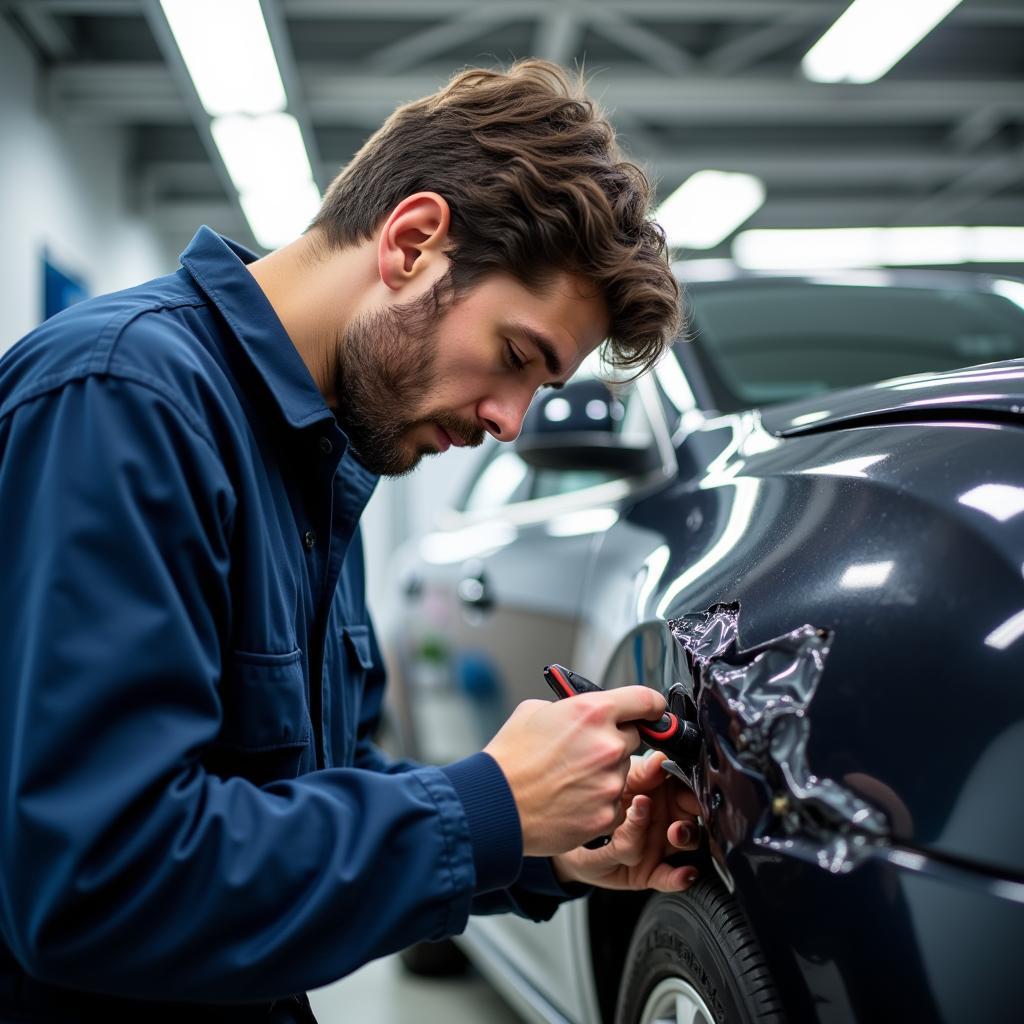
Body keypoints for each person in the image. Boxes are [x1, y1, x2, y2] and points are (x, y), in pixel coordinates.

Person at [0, 60, 699, 1022]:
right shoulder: (125, 399)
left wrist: (538, 840)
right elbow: (99, 878)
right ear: (413, 242)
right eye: (516, 357)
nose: (509, 422)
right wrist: (484, 805)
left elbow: (307, 791)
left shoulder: (325, 458)